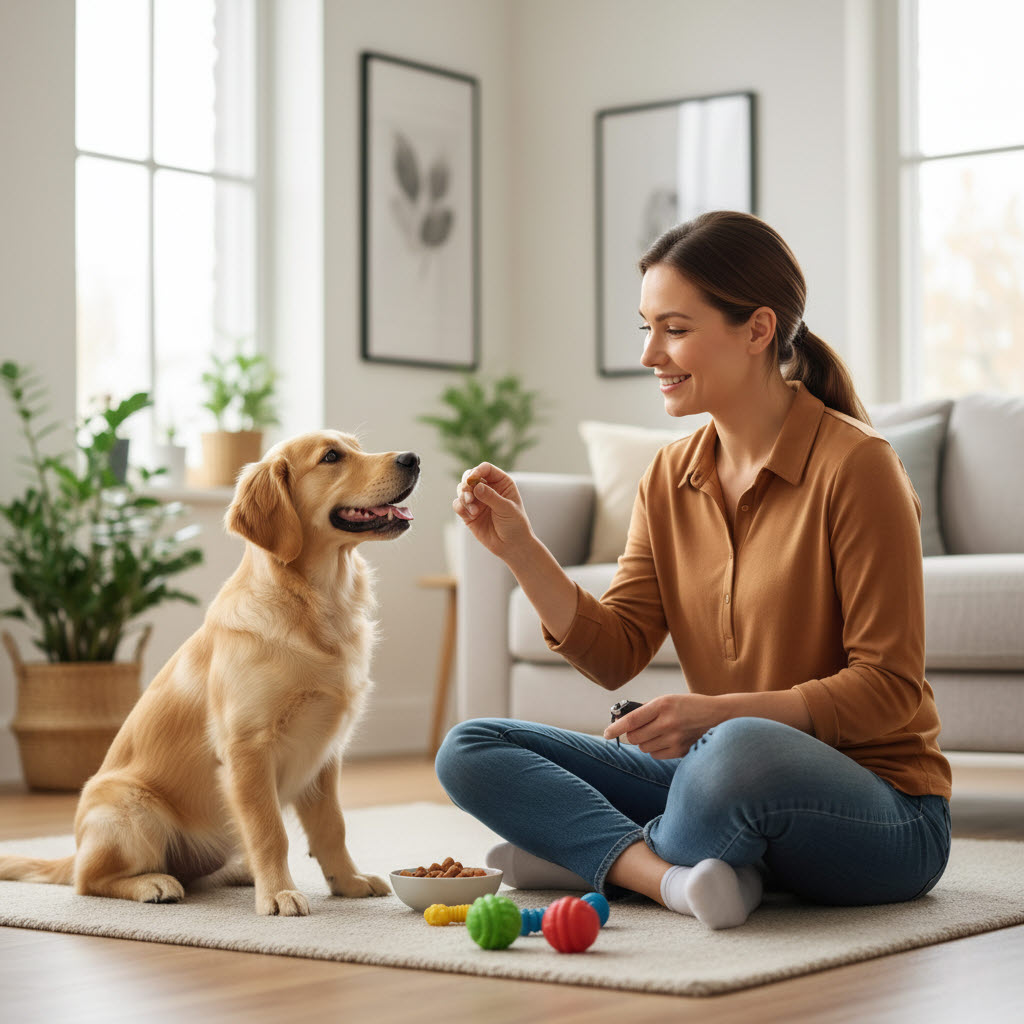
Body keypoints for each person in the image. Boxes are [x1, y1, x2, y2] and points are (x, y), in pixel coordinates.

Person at [434, 211, 952, 929]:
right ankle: (670, 878)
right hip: (715, 781)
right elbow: (615, 652)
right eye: (644, 327)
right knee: (471, 746)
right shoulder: (668, 474)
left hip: (883, 815)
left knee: (736, 750)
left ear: (758, 329)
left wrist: (719, 716)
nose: (650, 354)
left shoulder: (858, 467)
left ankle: (595, 856)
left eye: (674, 329)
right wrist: (520, 547)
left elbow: (889, 689)